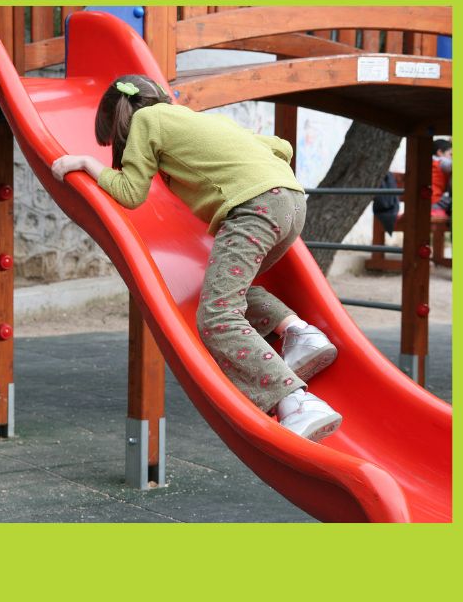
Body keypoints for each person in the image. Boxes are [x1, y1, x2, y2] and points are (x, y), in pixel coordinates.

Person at [51, 75, 342, 443]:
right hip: (290, 203)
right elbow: (280, 146)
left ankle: (297, 403)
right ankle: (299, 333)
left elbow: (130, 193)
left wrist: (88, 164)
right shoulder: (200, 119)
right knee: (227, 291)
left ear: (120, 117)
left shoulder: (146, 120)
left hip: (254, 208)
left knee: (217, 316)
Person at [431, 139, 452, 221]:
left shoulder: (431, 161)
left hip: (431, 199)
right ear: (439, 152)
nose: (452, 157)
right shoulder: (441, 161)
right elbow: (450, 165)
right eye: (451, 154)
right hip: (435, 200)